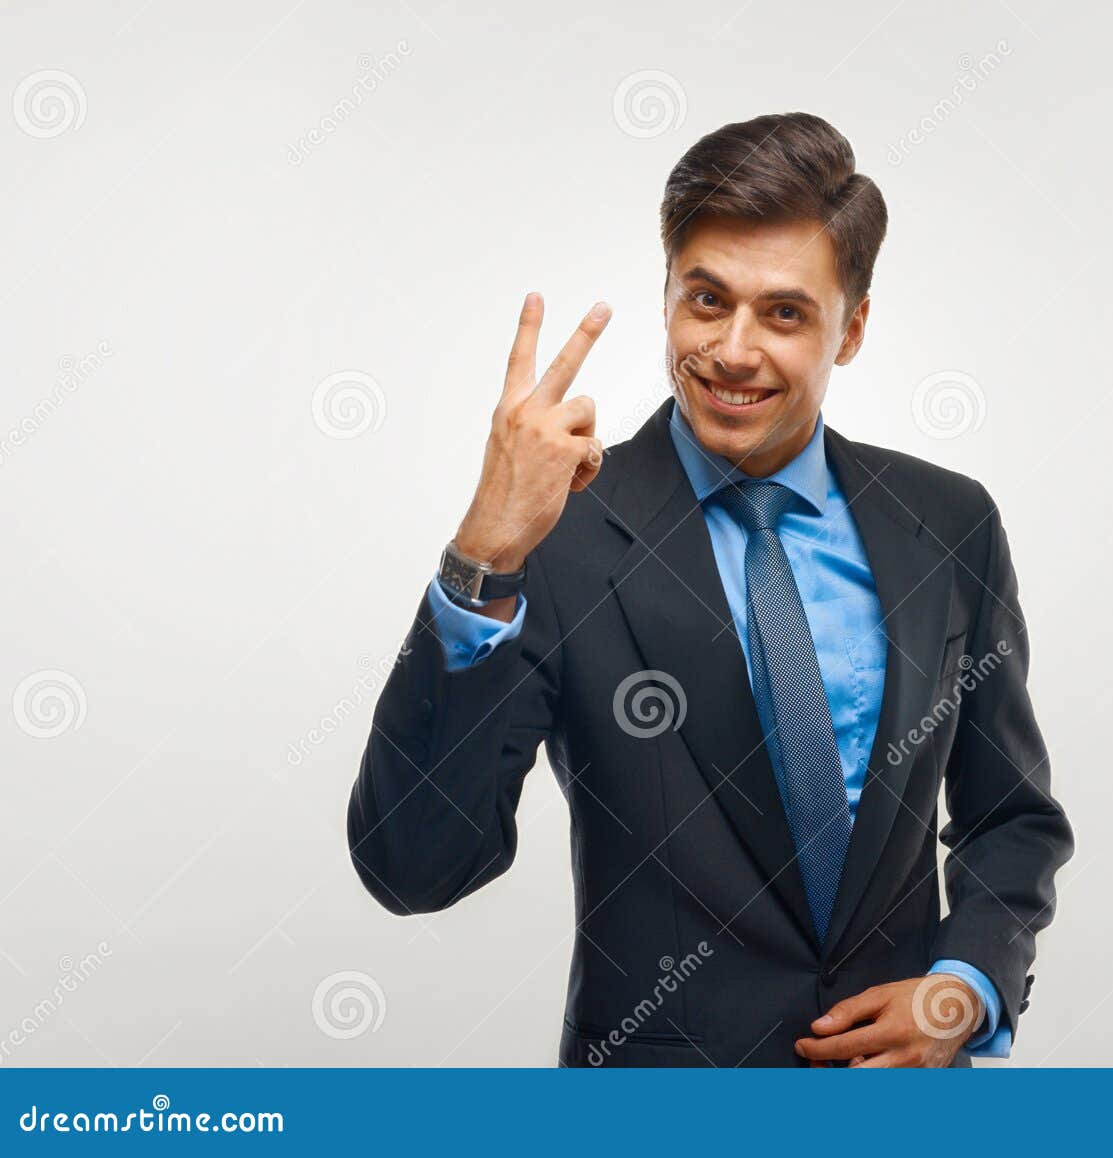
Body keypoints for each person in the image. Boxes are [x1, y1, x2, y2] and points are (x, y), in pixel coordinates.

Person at [346, 111, 1073, 1067]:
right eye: (705, 299)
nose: (733, 350)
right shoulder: (557, 536)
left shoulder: (948, 524)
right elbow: (414, 867)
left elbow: (1010, 818)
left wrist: (968, 987)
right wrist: (483, 554)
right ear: (666, 300)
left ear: (850, 330)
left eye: (784, 313)